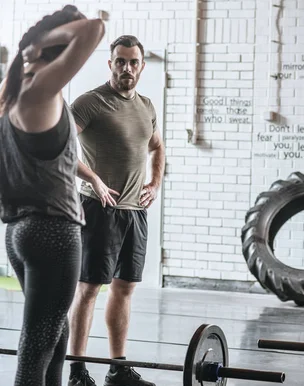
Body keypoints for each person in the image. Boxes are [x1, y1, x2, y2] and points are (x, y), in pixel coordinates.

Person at [0, 6, 105, 386]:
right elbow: (94, 28)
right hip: (53, 233)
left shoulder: (10, 96)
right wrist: (36, 43)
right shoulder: (39, 90)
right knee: (37, 348)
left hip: (19, 232)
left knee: (55, 334)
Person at [67, 35, 165, 386]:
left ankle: (117, 369)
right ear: (110, 64)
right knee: (90, 288)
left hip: (134, 212)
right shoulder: (90, 103)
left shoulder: (147, 106)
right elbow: (61, 144)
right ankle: (77, 370)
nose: (127, 68)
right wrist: (92, 177)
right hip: (99, 208)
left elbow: (157, 147)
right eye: (120, 61)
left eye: (133, 62)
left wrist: (155, 184)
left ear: (141, 65)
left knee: (124, 288)